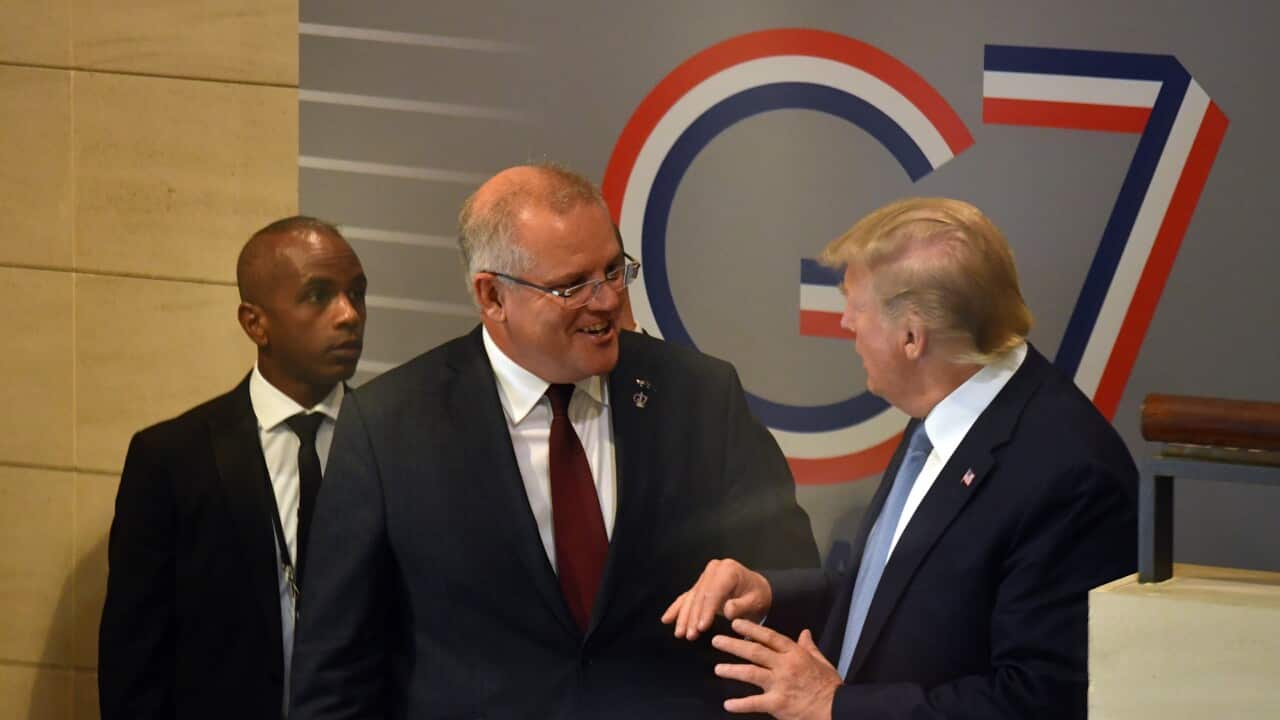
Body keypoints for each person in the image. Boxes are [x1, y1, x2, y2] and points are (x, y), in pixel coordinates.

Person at [289, 163, 818, 719]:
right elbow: (336, 669)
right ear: (492, 296)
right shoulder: (388, 426)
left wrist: (759, 592)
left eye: (614, 271)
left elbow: (794, 575)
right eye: (573, 286)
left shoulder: (700, 395)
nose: (608, 301)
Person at [663, 197, 1137, 720]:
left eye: (856, 306)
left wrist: (835, 704)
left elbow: (1038, 702)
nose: (845, 323)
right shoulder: (948, 409)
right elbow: (904, 596)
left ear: (912, 337)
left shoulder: (1070, 473)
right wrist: (771, 593)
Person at [98, 217, 368, 719]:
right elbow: (134, 656)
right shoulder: (173, 459)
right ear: (255, 323)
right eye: (319, 295)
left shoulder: (395, 445)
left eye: (357, 293)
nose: (349, 315)